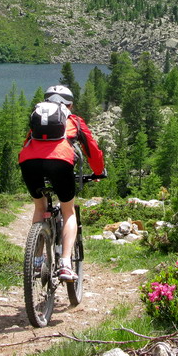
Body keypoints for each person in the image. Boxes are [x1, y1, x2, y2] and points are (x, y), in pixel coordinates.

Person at [18, 85, 105, 281]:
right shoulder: (74, 120)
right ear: (70, 104)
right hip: (61, 161)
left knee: (39, 209)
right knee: (69, 211)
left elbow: (28, 144)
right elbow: (92, 148)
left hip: (28, 162)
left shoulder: (38, 118)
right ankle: (65, 263)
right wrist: (98, 172)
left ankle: (37, 262)